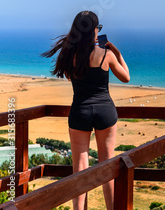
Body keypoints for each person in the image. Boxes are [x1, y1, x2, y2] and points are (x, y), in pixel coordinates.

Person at [42, 11, 130, 210]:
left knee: (79, 168)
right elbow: (126, 77)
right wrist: (117, 53)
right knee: (107, 167)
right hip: (105, 111)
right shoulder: (106, 55)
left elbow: (71, 77)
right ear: (94, 31)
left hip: (80, 111)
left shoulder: (68, 55)